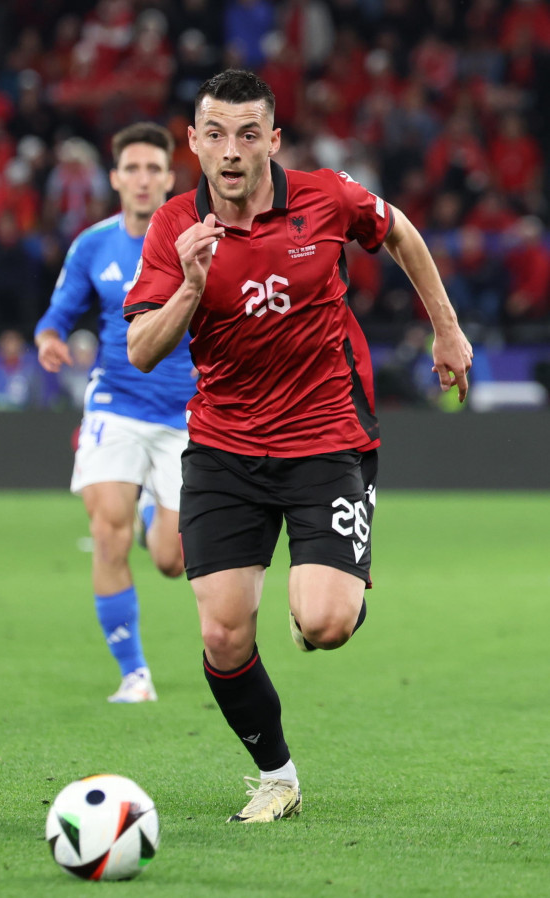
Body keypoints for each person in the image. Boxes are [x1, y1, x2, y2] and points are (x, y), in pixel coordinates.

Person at [124, 70, 473, 822]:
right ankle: (278, 775)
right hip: (223, 444)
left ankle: (325, 595)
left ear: (273, 142)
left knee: (326, 624)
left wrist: (445, 325)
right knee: (221, 632)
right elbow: (141, 349)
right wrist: (189, 285)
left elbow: (402, 233)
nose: (231, 150)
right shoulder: (171, 230)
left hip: (324, 437)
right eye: (215, 133)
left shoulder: (326, 197)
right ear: (193, 142)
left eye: (249, 134)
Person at [34, 122, 196, 704]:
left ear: (171, 178)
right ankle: (134, 674)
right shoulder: (92, 245)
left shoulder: (197, 240)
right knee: (107, 535)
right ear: (115, 178)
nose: (144, 179)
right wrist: (49, 338)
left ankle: (154, 501)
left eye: (155, 168)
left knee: (173, 560)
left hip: (186, 414)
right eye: (133, 168)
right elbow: (57, 314)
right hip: (115, 404)